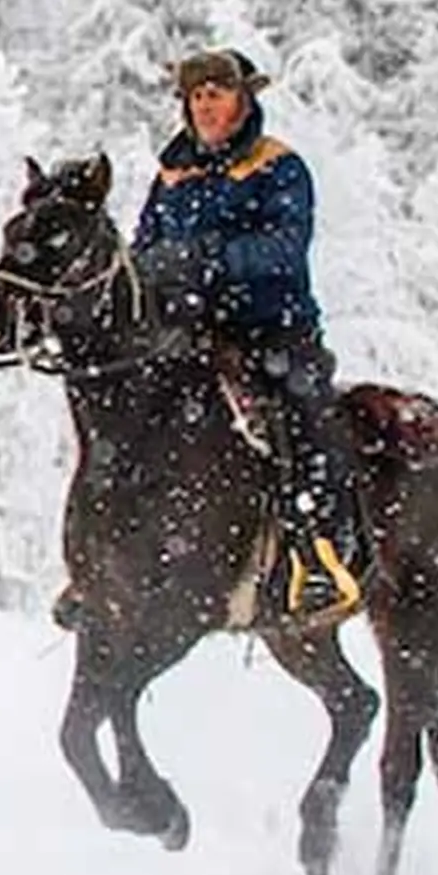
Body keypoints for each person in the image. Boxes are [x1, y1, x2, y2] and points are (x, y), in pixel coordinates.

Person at [134, 47, 366, 624]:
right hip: (189, 337)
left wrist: (204, 258)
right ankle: (112, 557)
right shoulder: (170, 175)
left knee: (302, 415)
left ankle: (318, 552)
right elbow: (143, 247)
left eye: (218, 92)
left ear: (244, 99)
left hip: (272, 331)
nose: (207, 104)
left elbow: (286, 247)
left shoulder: (278, 166)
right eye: (197, 95)